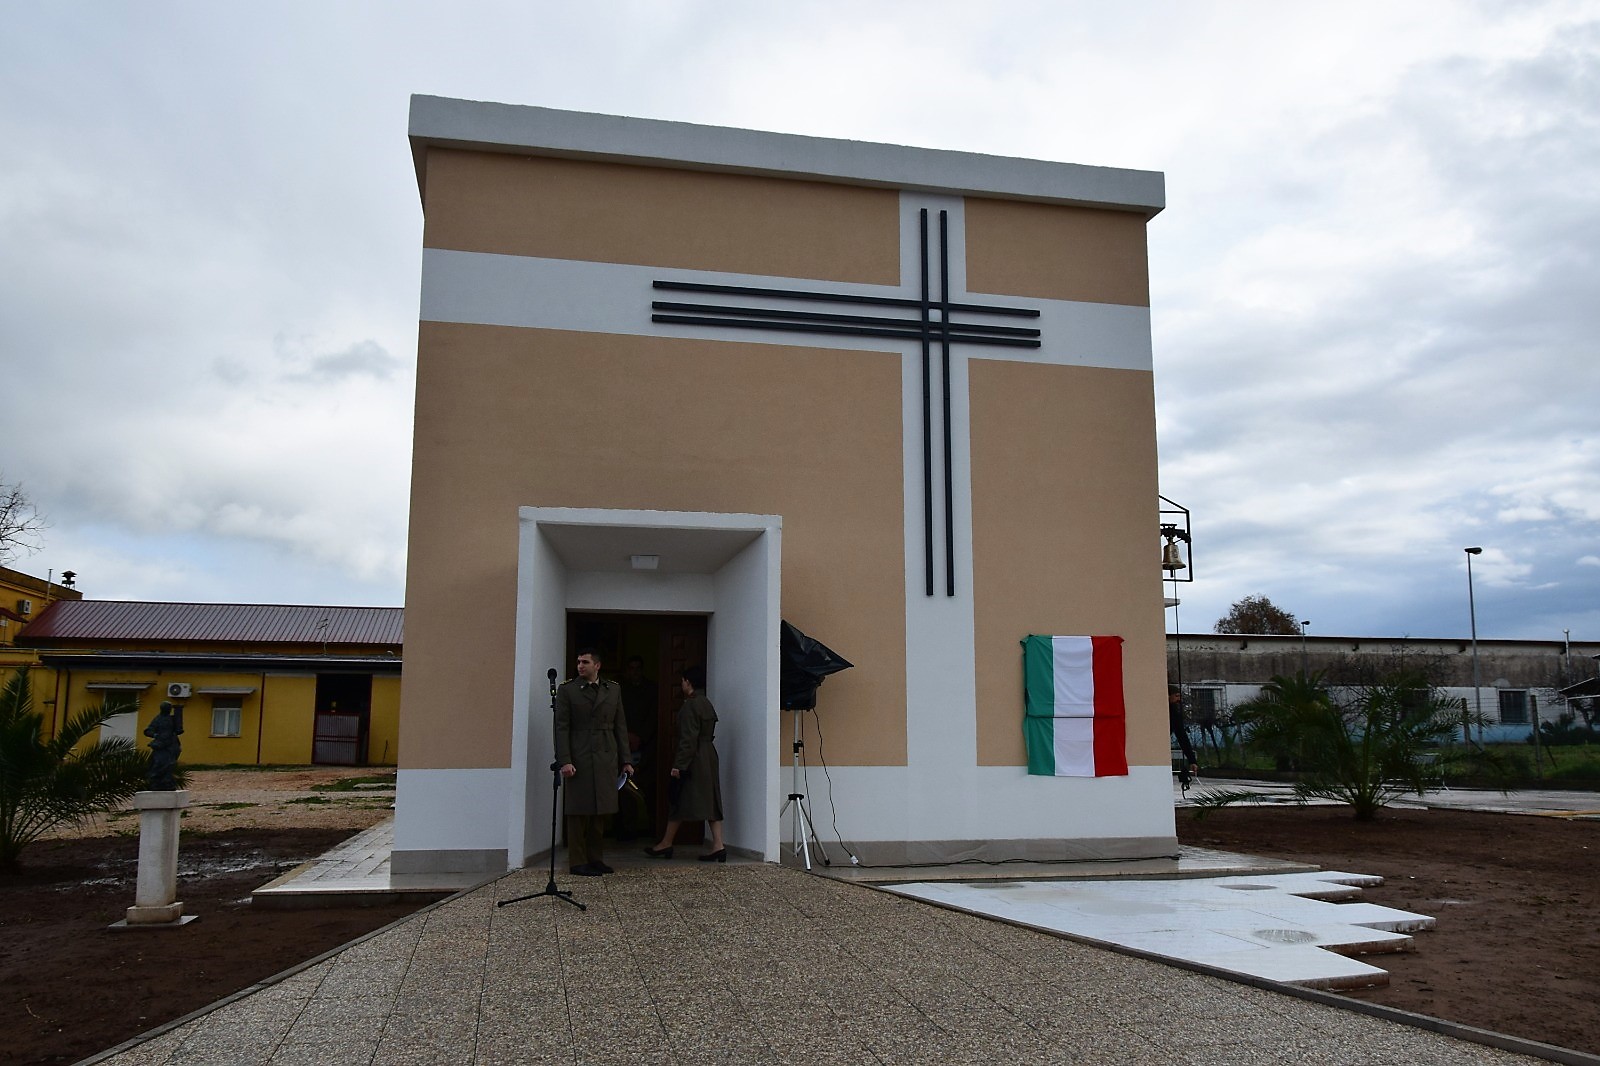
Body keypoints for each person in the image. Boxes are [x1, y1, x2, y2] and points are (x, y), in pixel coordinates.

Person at [554, 648, 633, 876]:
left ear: (597, 665)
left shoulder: (612, 689)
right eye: (578, 662)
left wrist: (625, 759)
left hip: (606, 754)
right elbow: (561, 727)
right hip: (580, 753)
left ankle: (596, 858)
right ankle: (578, 861)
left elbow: (621, 725)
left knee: (601, 809)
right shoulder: (568, 690)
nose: (580, 666)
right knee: (578, 810)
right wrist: (565, 760)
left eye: (585, 662)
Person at [644, 665, 725, 862]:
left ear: (688, 682)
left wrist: (679, 765)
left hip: (695, 758)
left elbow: (688, 740)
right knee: (711, 800)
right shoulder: (706, 703)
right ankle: (718, 844)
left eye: (682, 681)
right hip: (708, 755)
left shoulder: (690, 705)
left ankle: (666, 843)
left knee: (677, 797)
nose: (681, 684)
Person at [615, 655, 658, 839]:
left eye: (638, 668)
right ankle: (626, 829)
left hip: (648, 747)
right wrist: (626, 736)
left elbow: (655, 715)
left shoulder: (652, 690)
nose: (635, 672)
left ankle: (654, 827)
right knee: (624, 790)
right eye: (631, 668)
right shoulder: (619, 690)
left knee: (649, 788)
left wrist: (640, 736)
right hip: (623, 746)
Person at [144, 702, 184, 790]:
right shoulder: (158, 719)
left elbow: (179, 730)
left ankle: (167, 781)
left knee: (170, 764)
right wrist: (155, 735)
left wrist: (179, 714)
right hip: (161, 745)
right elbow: (148, 731)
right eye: (168, 709)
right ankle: (156, 781)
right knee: (159, 762)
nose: (169, 710)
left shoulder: (172, 719)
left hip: (171, 745)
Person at [1169, 685, 1198, 784]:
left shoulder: (1175, 714)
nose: (1179, 699)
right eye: (1176, 696)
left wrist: (1192, 760)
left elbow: (1182, 737)